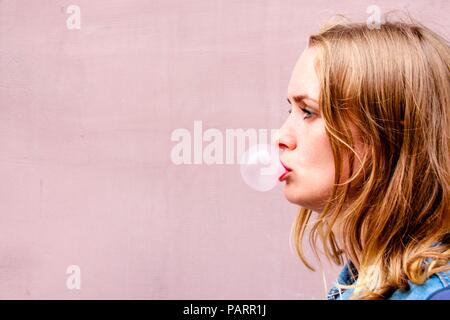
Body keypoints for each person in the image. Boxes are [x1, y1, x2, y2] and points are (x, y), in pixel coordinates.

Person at [277, 18, 450, 300]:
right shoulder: (362, 281)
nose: (282, 137)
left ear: (387, 133)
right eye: (290, 111)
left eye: (308, 111)